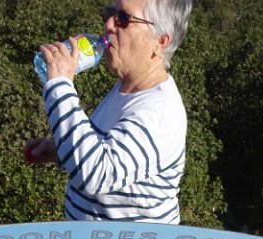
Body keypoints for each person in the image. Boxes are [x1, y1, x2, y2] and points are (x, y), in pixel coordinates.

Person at [24, 0, 192, 224]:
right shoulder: (127, 89)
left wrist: (60, 85)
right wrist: (59, 150)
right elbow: (109, 155)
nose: (109, 24)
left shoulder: (159, 111)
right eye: (109, 13)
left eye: (123, 19)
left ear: (160, 41)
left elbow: (96, 175)